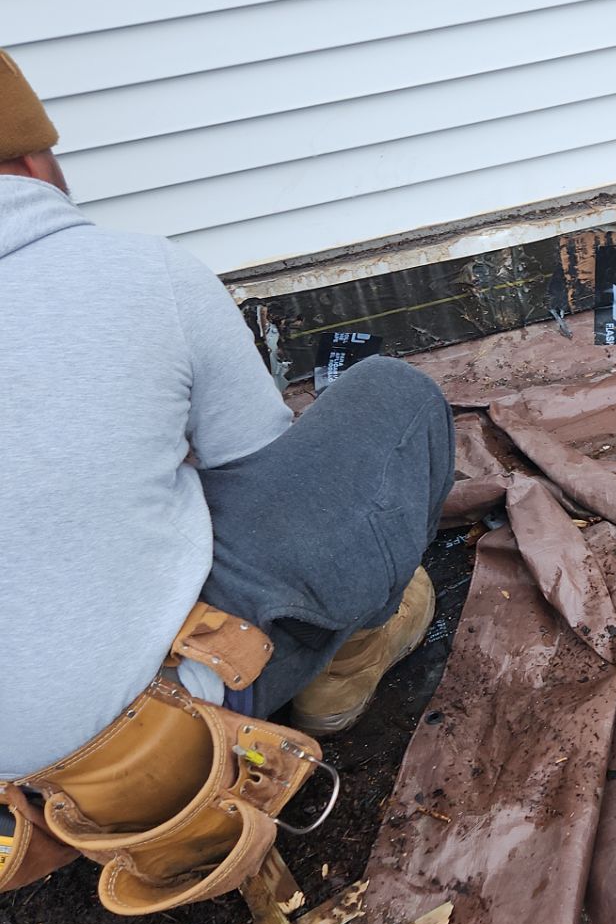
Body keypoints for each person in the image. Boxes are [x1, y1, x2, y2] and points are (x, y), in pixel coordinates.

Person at [0, 51, 455, 812]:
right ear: (33, 160)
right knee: (393, 399)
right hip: (159, 744)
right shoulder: (144, 274)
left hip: (14, 802)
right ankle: (343, 665)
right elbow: (262, 468)